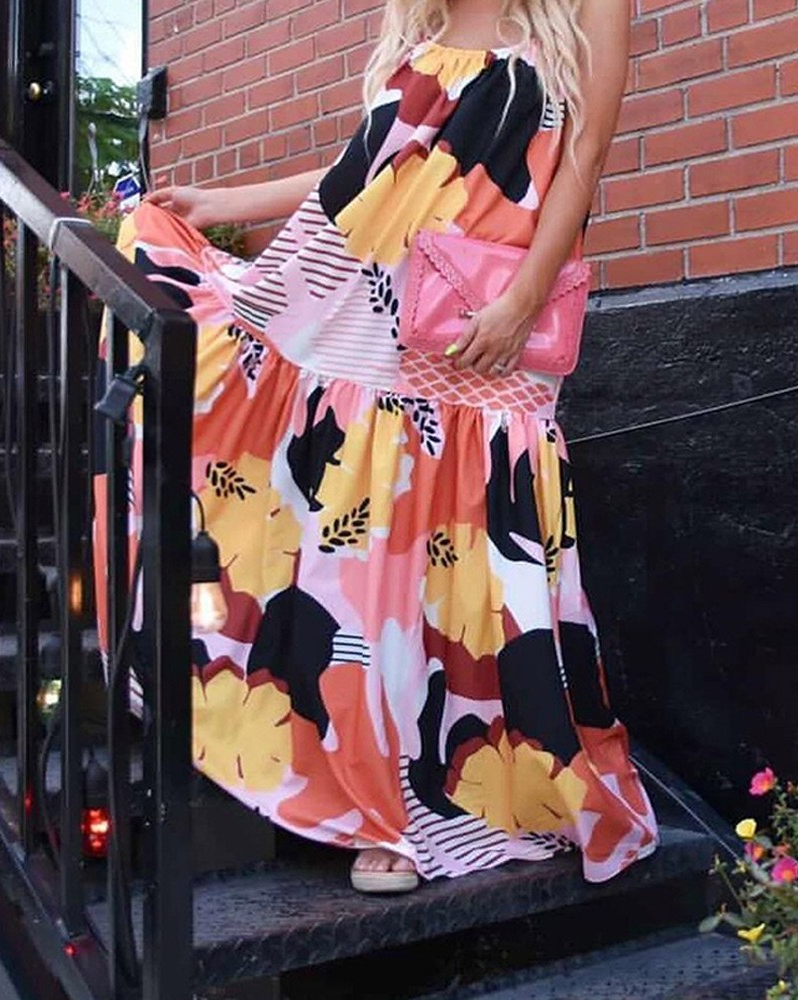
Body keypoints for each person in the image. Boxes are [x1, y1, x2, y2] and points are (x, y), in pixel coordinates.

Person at [93, 0, 659, 895]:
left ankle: (462, 786)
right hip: (375, 317)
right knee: (373, 576)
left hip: (487, 321)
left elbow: (584, 157)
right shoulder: (421, 30)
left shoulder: (580, 10)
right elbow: (370, 168)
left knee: (471, 564)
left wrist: (523, 302)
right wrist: (221, 203)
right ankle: (380, 805)